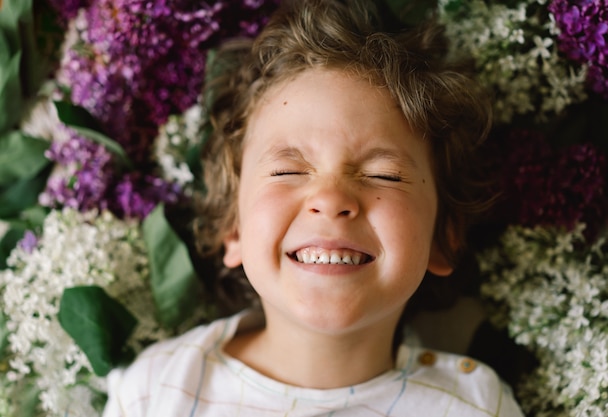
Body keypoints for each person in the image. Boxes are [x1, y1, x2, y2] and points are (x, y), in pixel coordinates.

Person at [103, 0, 525, 415]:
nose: (330, 199)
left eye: (384, 175)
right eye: (287, 171)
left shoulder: (475, 407)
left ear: (443, 235)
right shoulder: (156, 391)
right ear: (233, 228)